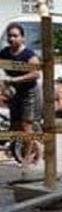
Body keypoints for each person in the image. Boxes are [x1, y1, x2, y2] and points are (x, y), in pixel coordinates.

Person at [0, 23, 41, 165]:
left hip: (29, 93)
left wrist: (14, 79)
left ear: (22, 38)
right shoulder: (5, 53)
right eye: (9, 36)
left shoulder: (28, 55)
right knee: (15, 125)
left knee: (26, 127)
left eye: (15, 36)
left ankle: (26, 160)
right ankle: (31, 148)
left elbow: (36, 74)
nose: (12, 38)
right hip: (15, 92)